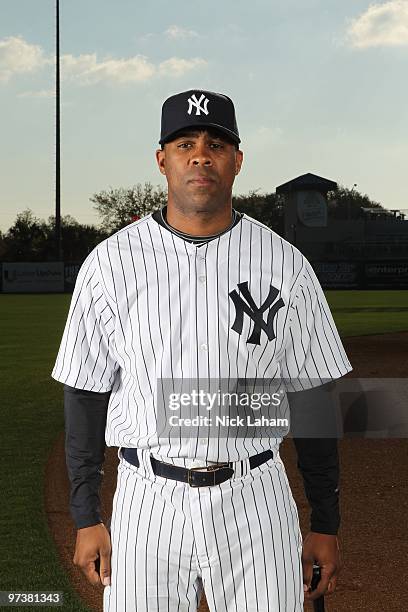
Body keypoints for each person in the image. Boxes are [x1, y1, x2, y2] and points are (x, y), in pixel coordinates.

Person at [51, 89, 352, 611]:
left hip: (255, 496)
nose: (200, 155)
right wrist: (85, 515)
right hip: (147, 500)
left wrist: (325, 523)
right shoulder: (110, 265)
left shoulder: (286, 265)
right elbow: (84, 394)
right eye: (184, 142)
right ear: (161, 159)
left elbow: (313, 398)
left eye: (216, 144)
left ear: (237, 161)